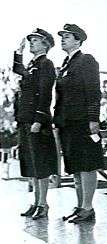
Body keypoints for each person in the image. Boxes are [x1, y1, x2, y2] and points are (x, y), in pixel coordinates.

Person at [53, 24, 103, 223]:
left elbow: (93, 92)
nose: (63, 39)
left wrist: (93, 119)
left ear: (78, 40)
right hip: (68, 123)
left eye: (67, 36)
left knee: (87, 164)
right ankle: (80, 206)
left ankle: (88, 208)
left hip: (82, 121)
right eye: (62, 36)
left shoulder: (86, 61)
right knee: (74, 165)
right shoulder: (66, 64)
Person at [13, 28, 58, 220]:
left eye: (35, 40)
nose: (31, 42)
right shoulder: (33, 64)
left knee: (40, 164)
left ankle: (43, 204)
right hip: (25, 118)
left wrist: (39, 119)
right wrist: (18, 52)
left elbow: (45, 93)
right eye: (30, 40)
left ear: (46, 44)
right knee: (30, 163)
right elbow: (18, 69)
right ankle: (36, 202)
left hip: (36, 120)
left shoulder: (46, 64)